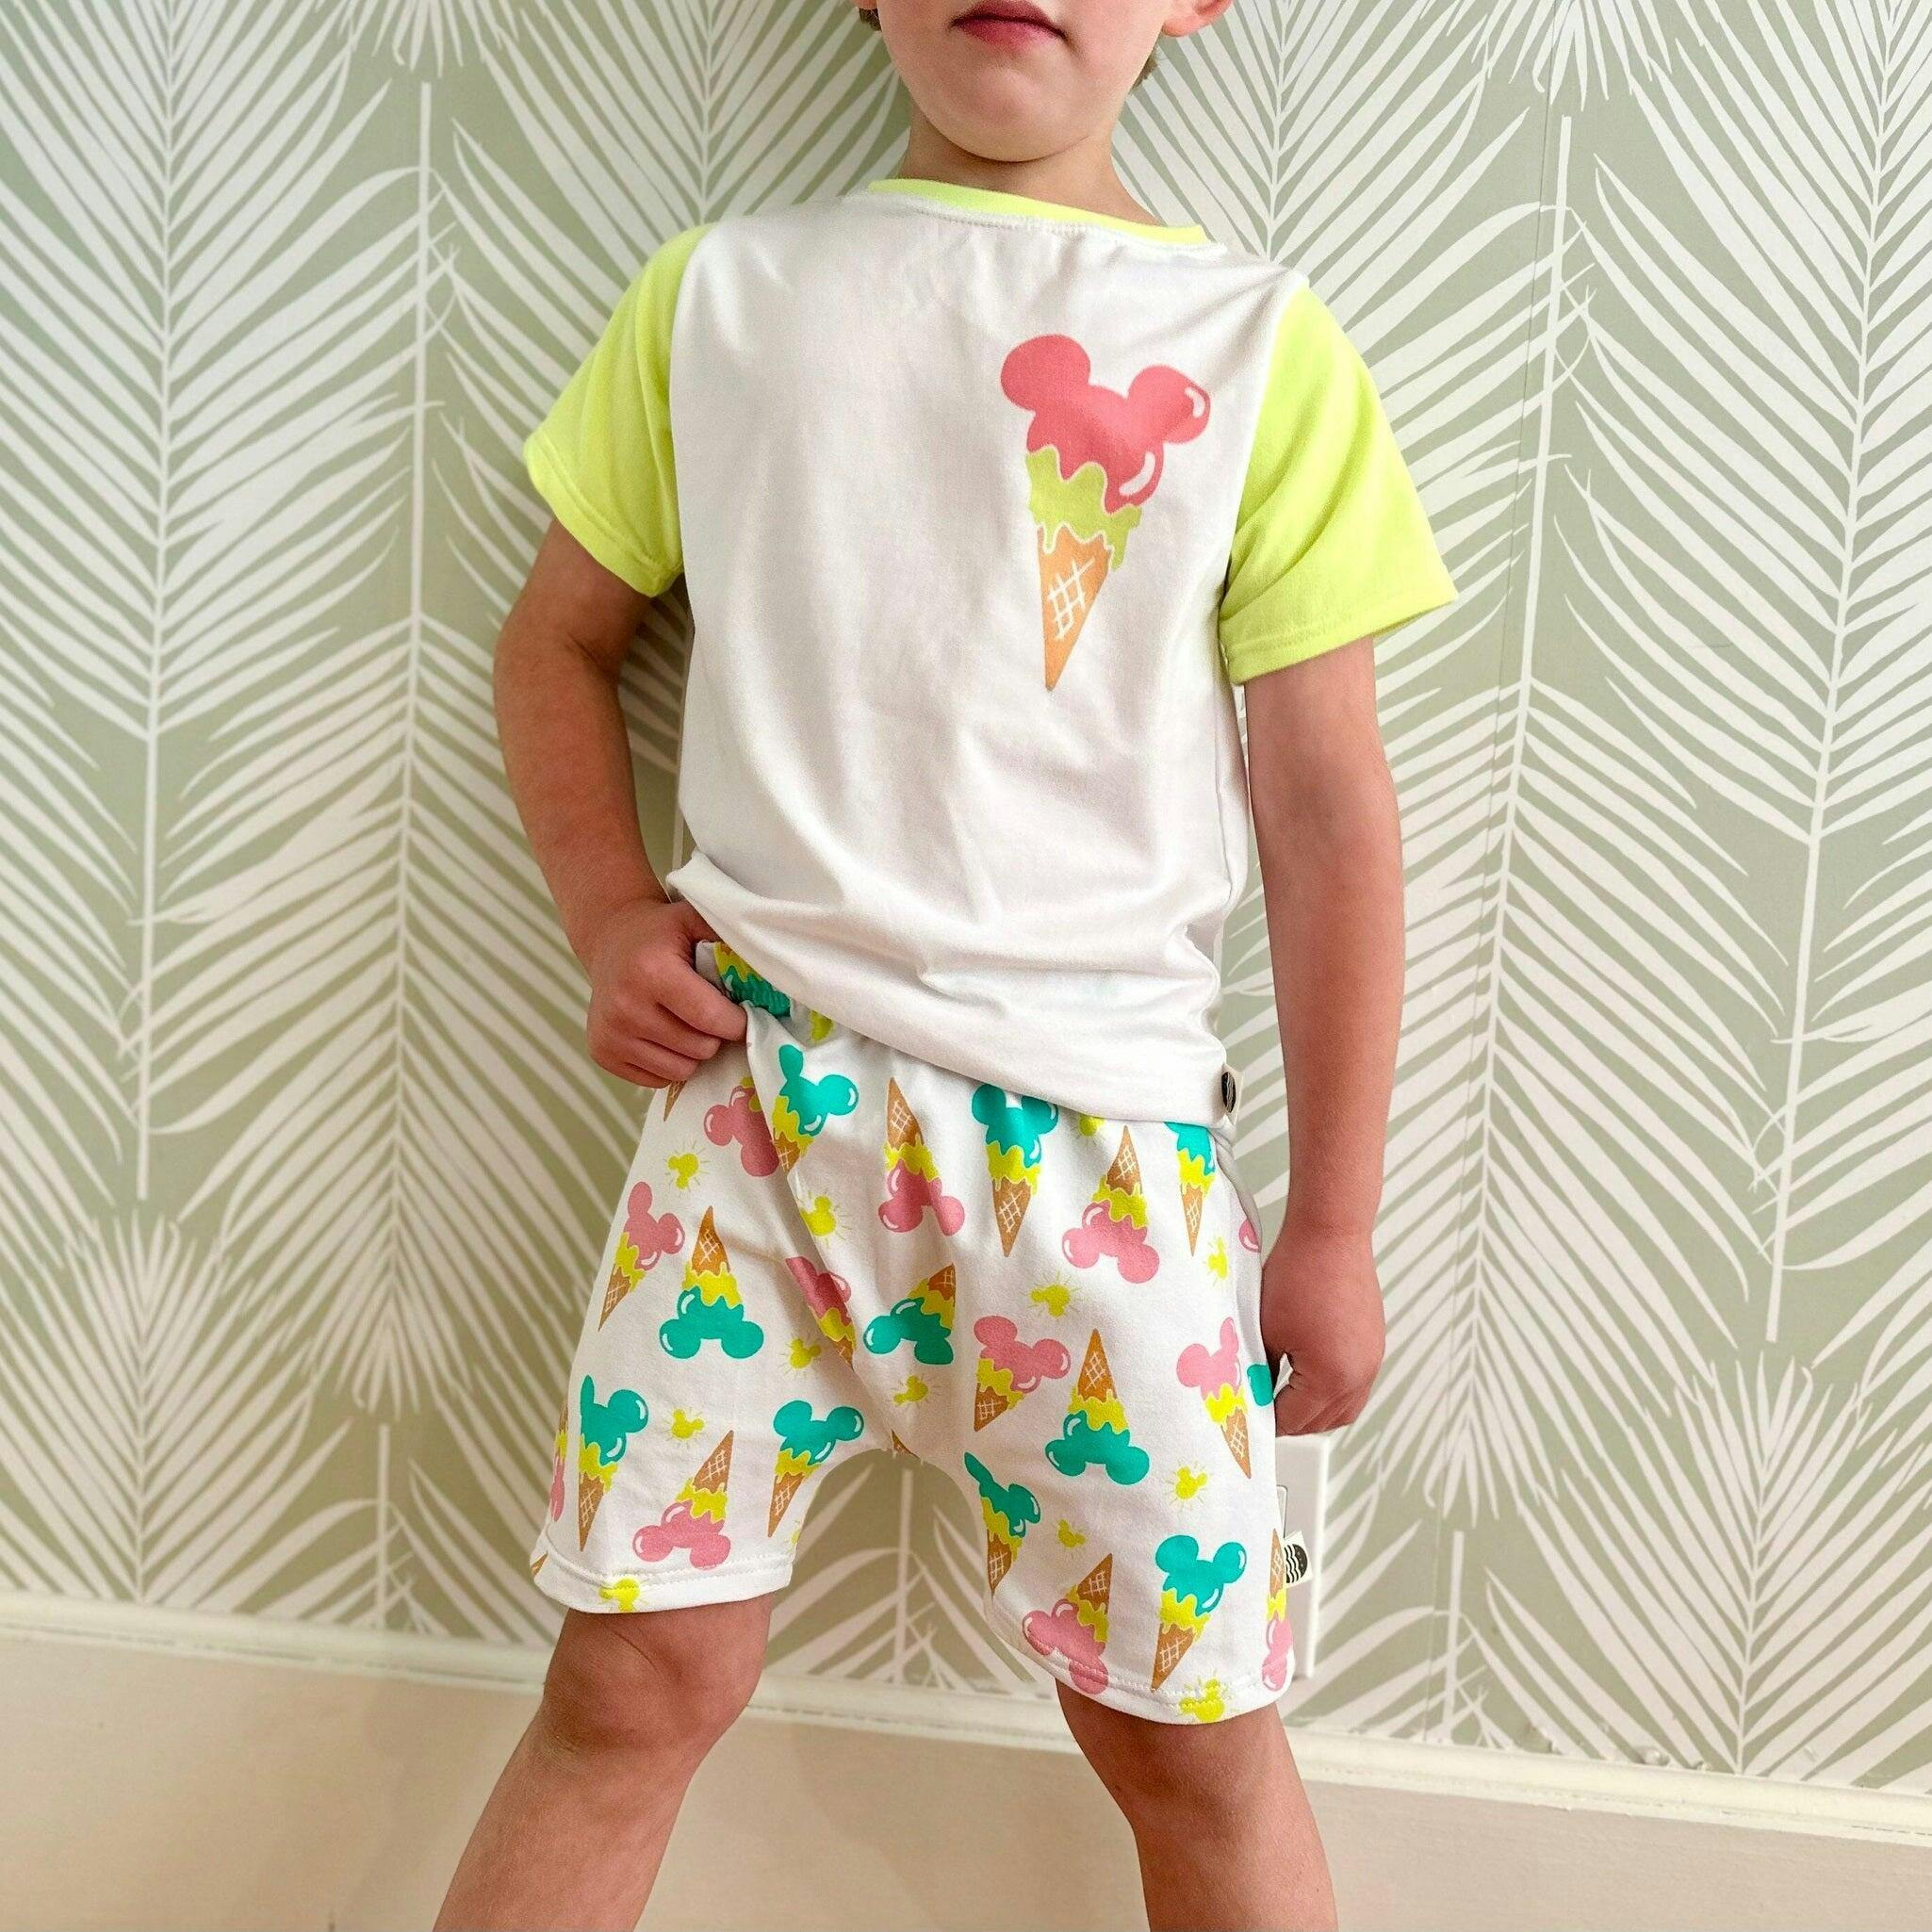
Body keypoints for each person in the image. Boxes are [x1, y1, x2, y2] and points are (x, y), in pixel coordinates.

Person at [435, 2, 1455, 1926]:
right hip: (752, 1125)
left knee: (1191, 1738)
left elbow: (1327, 808)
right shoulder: (719, 300)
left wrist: (1333, 1220)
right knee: (631, 1678)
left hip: (1109, 1165)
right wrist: (606, 910)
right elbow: (552, 639)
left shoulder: (1256, 345)